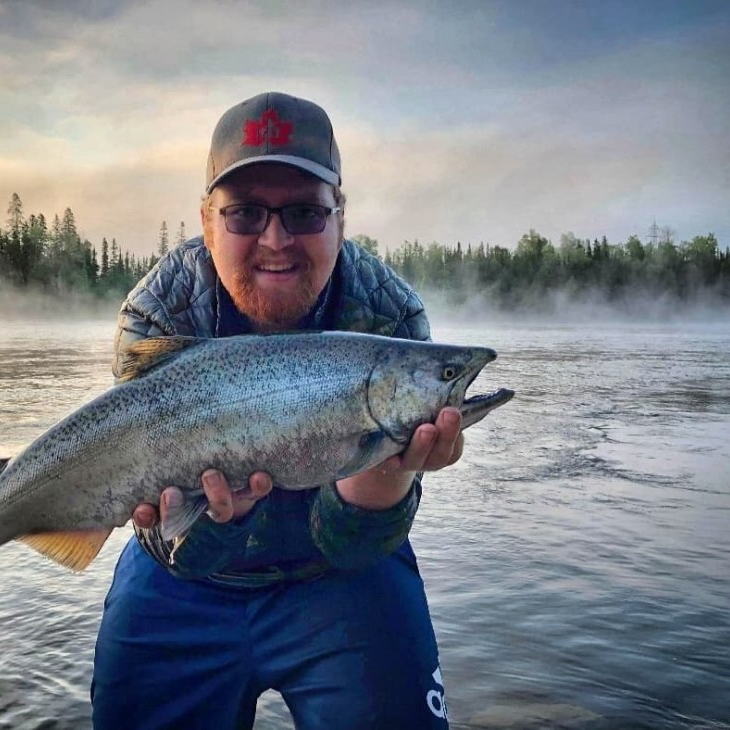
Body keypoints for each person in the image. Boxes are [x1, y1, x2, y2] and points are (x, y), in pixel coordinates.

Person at [90, 92, 463, 729]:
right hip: (181, 581)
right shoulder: (158, 317)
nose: (276, 240)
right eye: (244, 214)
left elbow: (352, 547)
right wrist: (214, 519)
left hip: (340, 577)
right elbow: (168, 538)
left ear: (340, 216)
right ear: (207, 221)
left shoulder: (392, 322)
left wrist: (387, 471)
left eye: (303, 213)